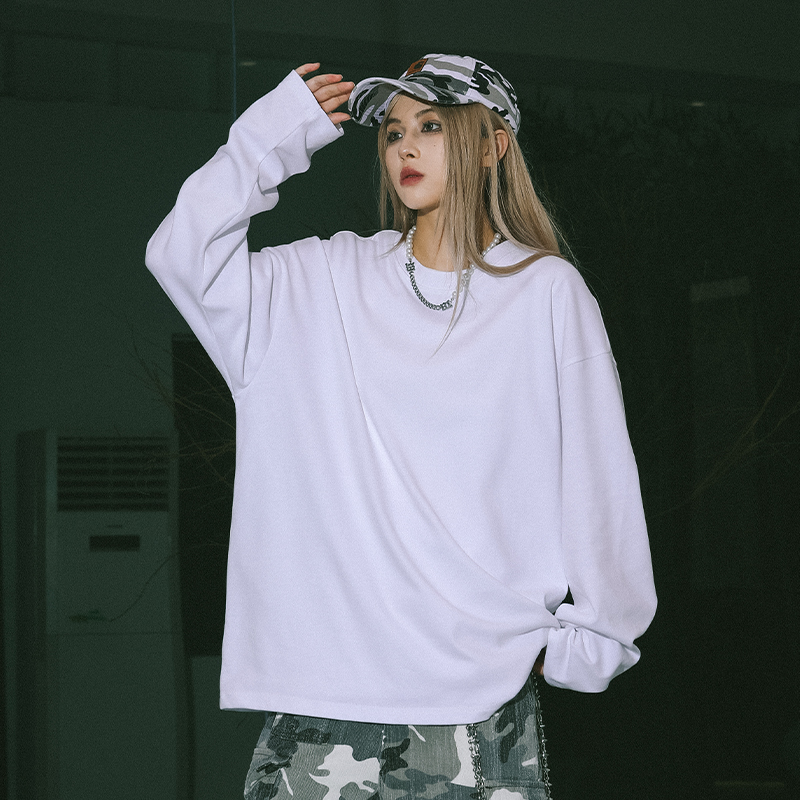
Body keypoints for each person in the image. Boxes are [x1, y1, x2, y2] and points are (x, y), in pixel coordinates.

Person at [146, 54, 656, 800]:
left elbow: (598, 476)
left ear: (492, 145)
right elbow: (181, 254)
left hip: (475, 707)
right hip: (321, 706)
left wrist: (596, 640)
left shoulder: (545, 292)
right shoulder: (320, 282)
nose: (406, 146)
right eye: (392, 132)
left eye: (432, 126)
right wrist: (272, 136)